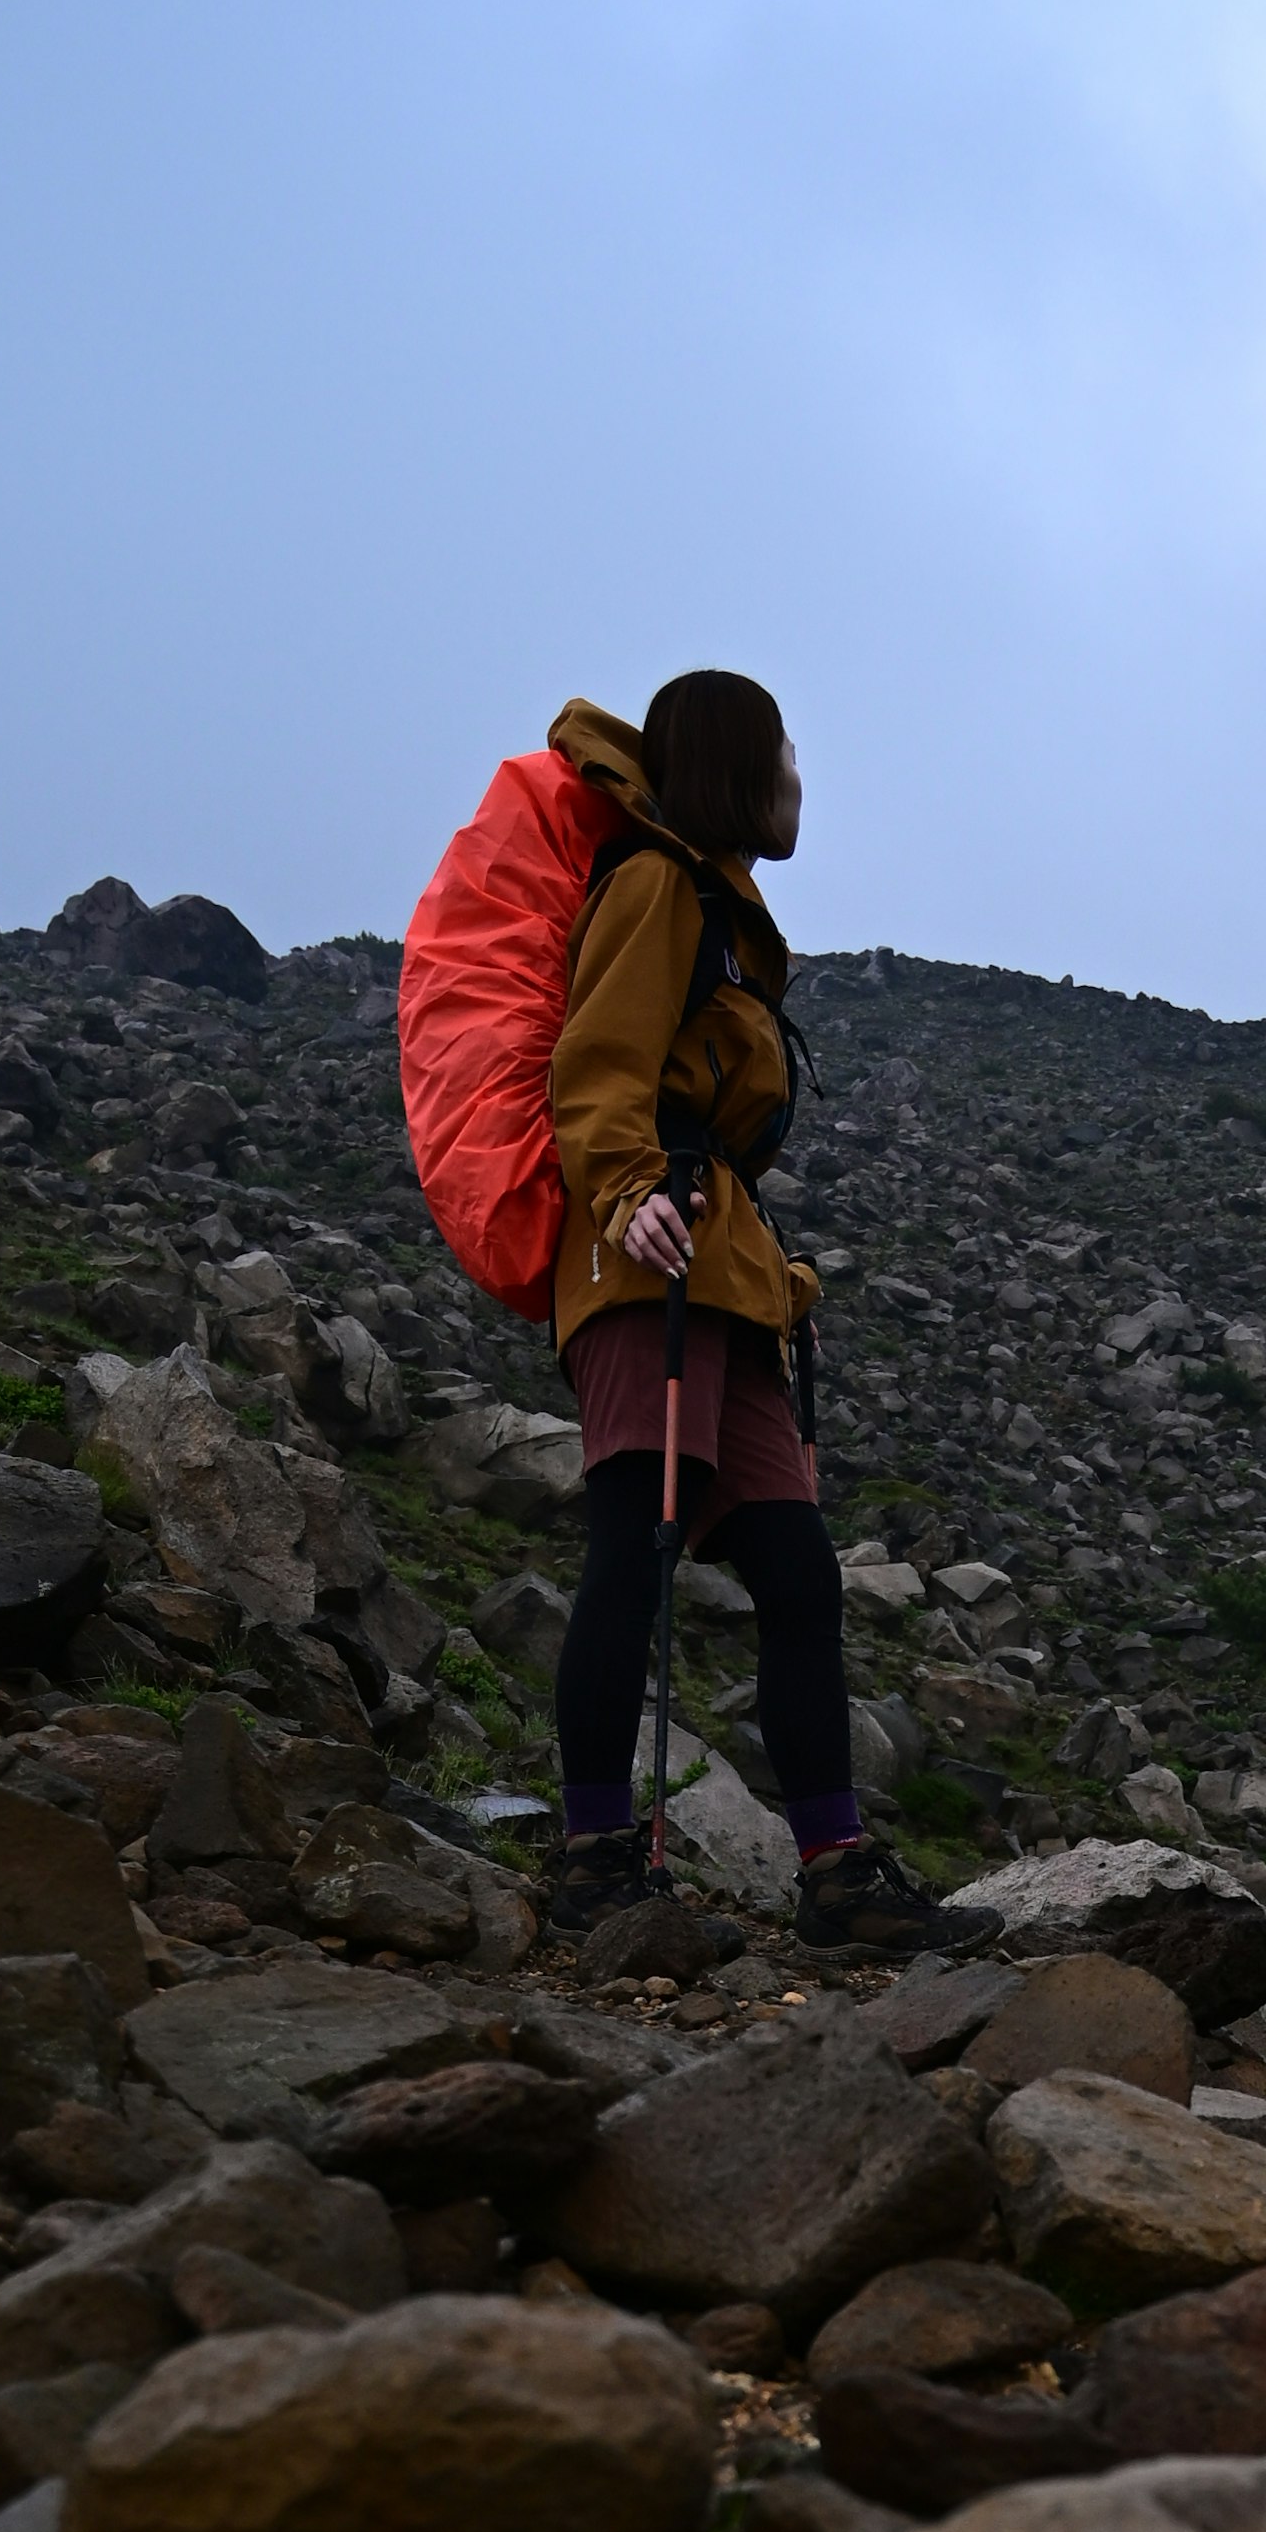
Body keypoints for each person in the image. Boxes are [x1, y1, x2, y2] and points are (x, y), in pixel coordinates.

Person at [538, 669, 931, 1956]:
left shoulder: (721, 910)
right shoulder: (657, 887)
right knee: (632, 1552)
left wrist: (770, 1274)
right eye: (785, 756)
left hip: (721, 1274)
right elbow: (595, 1070)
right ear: (734, 766)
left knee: (799, 1575)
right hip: (645, 1262)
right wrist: (627, 1190)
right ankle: (595, 1856)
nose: (800, 781)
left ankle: (835, 1869)